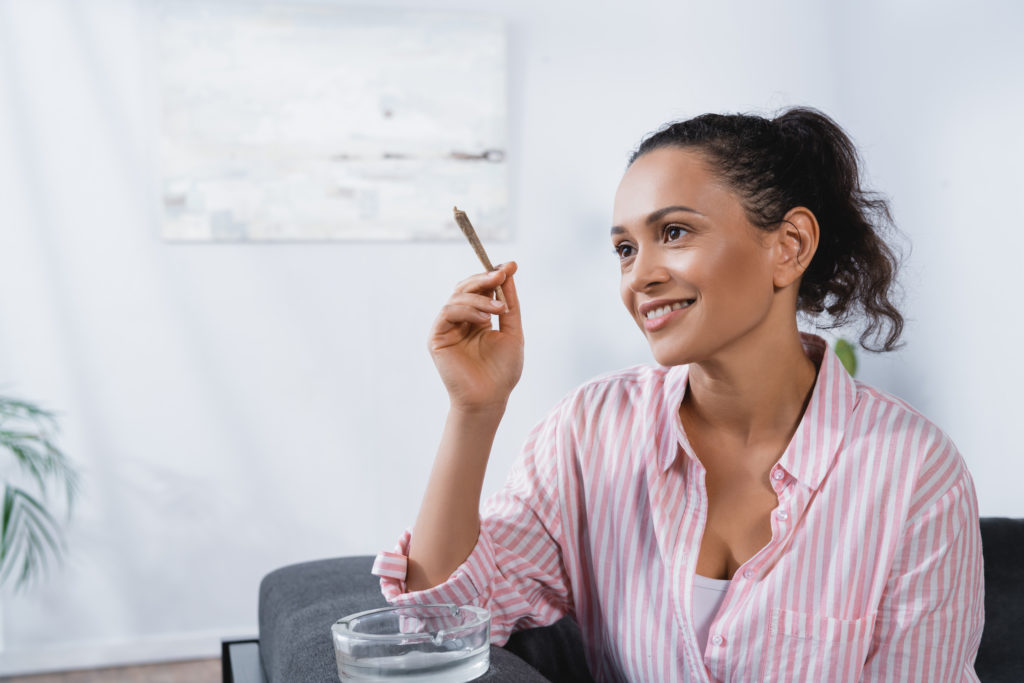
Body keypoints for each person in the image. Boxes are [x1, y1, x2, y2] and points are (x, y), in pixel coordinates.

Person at [372, 107, 984, 682]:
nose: (640, 275)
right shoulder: (591, 430)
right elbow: (437, 632)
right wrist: (475, 410)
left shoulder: (915, 474)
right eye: (625, 249)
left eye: (674, 231)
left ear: (789, 246)